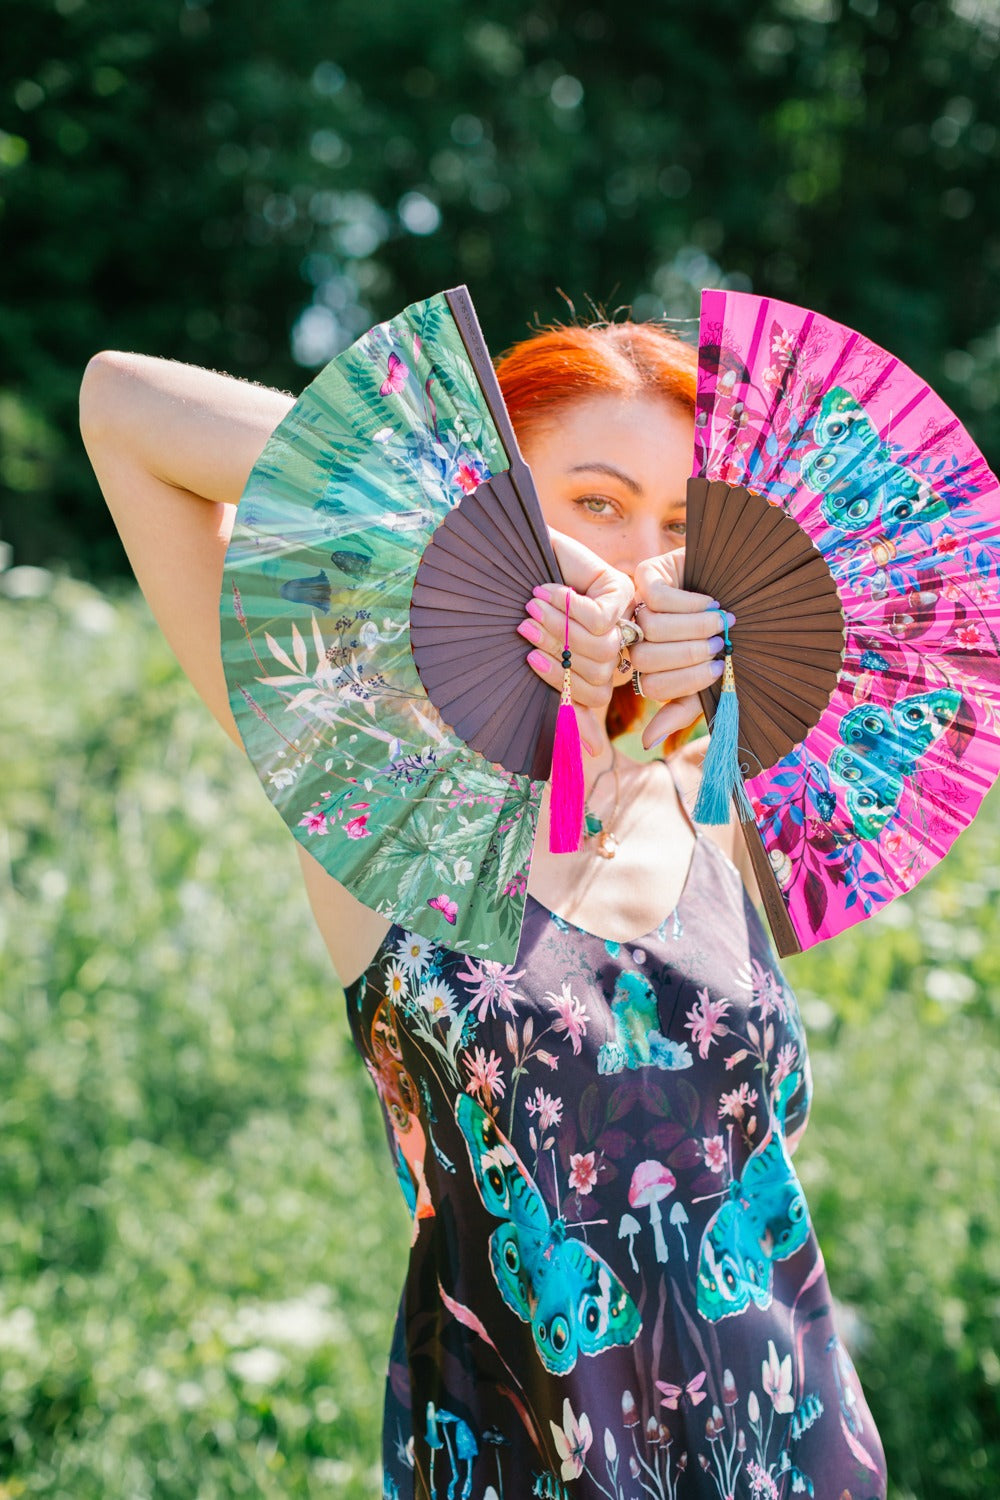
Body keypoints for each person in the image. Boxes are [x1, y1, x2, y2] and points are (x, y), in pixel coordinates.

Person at [79, 314, 888, 1499]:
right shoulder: (369, 786)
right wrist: (494, 545)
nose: (640, 570)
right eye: (594, 505)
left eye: (678, 528)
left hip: (797, 1462)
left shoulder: (712, 792)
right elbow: (123, 407)